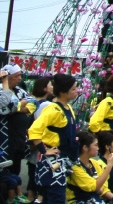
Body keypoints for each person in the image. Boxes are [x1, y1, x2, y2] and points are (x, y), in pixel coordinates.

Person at [27, 74, 79, 203]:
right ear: (62, 92)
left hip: (64, 160)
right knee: (56, 199)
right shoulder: (53, 109)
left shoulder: (69, 107)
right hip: (53, 162)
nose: (76, 91)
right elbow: (34, 130)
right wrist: (44, 150)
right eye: (73, 89)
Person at [67, 131, 113, 204]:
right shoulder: (75, 167)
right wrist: (109, 166)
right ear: (85, 148)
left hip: (95, 200)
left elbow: (103, 189)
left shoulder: (94, 163)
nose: (98, 148)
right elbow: (94, 186)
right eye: (95, 145)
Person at [25, 76, 53, 203]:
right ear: (44, 88)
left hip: (32, 142)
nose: (52, 87)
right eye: (50, 84)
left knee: (33, 171)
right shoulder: (44, 105)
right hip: (40, 142)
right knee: (37, 174)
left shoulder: (32, 102)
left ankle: (30, 197)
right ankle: (34, 198)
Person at [0, 63, 30, 176]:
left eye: (20, 75)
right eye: (16, 76)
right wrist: (20, 105)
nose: (19, 79)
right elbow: (5, 107)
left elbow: (32, 103)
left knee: (15, 165)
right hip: (5, 136)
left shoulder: (19, 91)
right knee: (5, 167)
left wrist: (16, 106)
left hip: (18, 136)